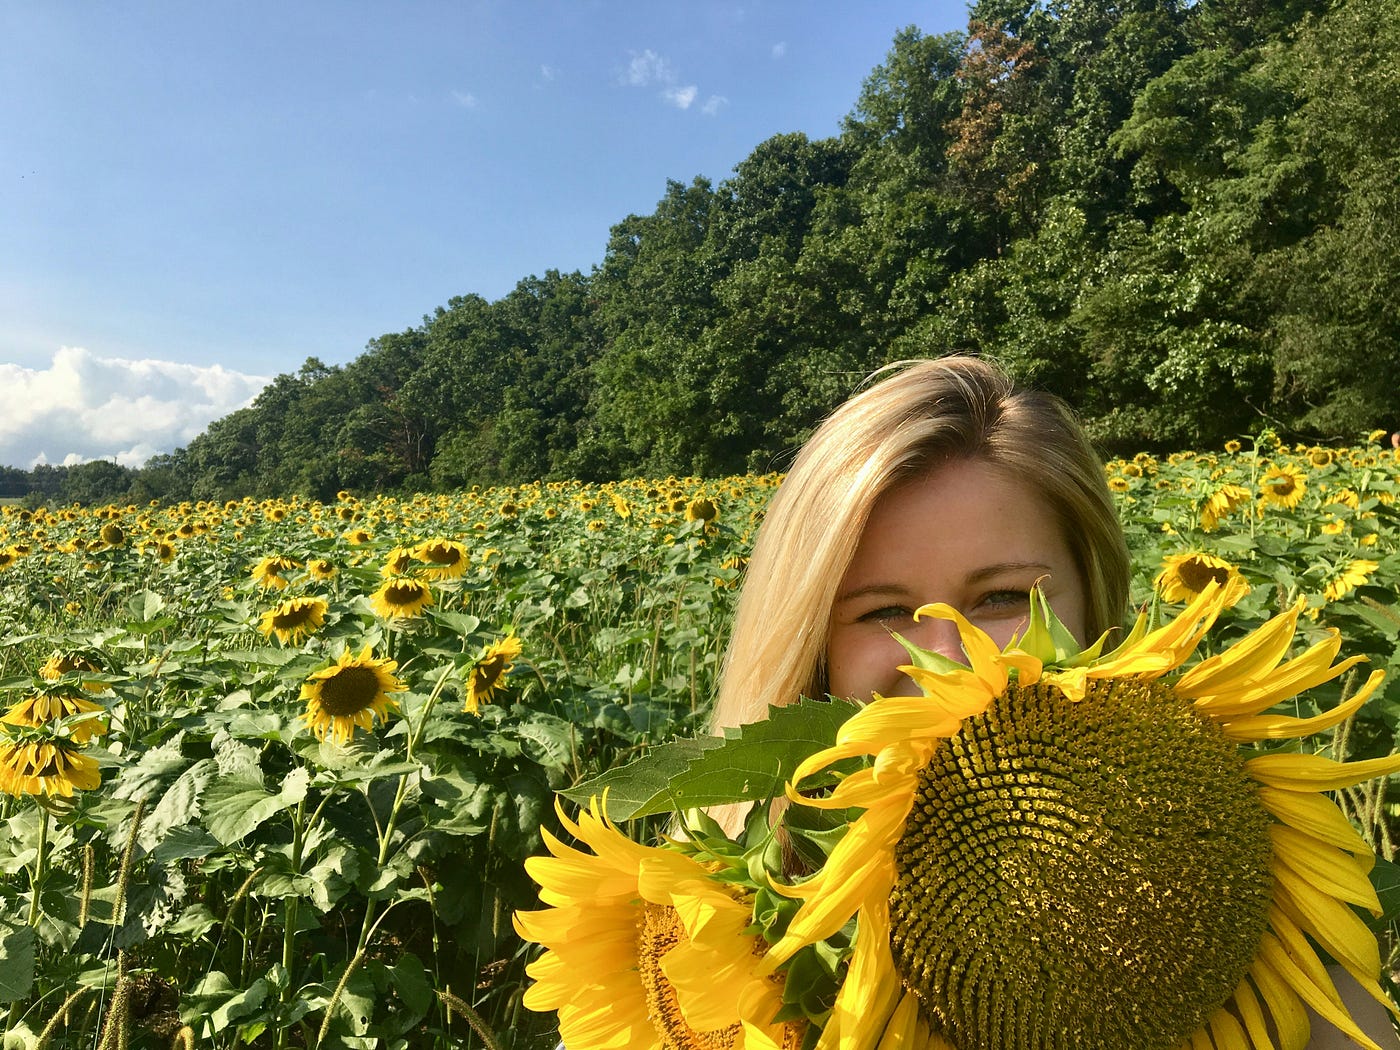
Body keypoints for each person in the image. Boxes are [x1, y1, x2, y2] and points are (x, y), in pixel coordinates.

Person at [706, 355, 1399, 1050]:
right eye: (885, 610)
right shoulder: (716, 946)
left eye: (1003, 597)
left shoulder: (1243, 873)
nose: (949, 660)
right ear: (812, 644)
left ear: (1095, 599)